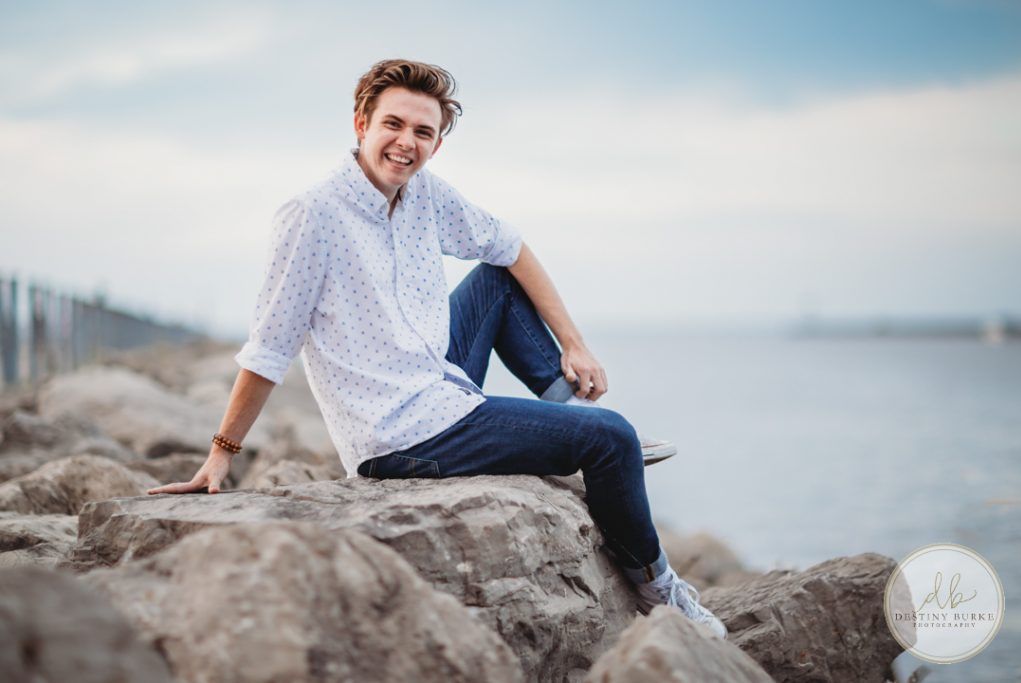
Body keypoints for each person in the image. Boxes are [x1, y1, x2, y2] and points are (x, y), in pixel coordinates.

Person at [147, 59, 727, 637]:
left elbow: (510, 245)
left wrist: (574, 345)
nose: (406, 143)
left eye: (422, 132)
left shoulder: (423, 192)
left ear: (436, 144)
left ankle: (569, 414)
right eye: (393, 125)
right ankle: (660, 591)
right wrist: (222, 453)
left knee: (497, 279)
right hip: (398, 433)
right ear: (361, 124)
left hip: (437, 381)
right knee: (613, 437)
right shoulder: (313, 215)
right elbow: (270, 347)